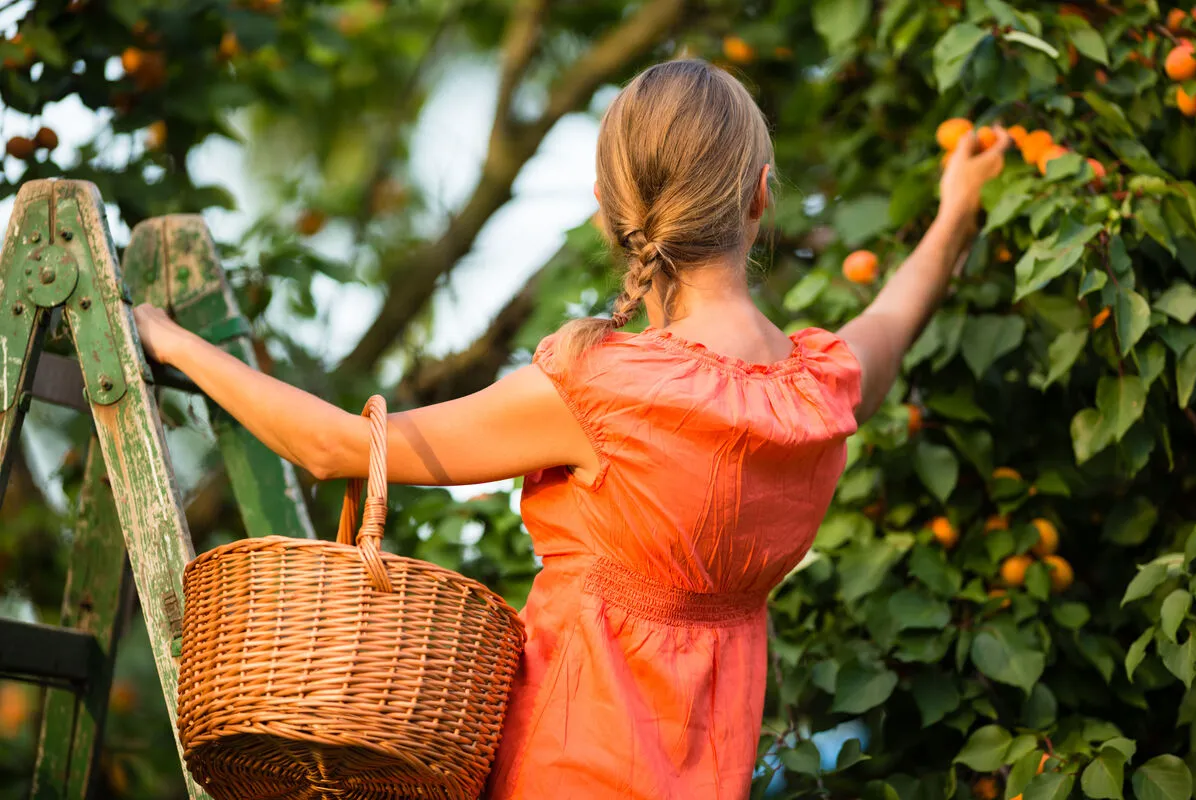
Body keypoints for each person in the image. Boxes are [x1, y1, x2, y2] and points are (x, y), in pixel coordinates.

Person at [134, 59, 1008, 799]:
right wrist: (956, 209)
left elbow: (337, 449)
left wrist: (180, 344)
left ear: (607, 209)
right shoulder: (817, 391)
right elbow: (896, 317)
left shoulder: (603, 387)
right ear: (758, 199)